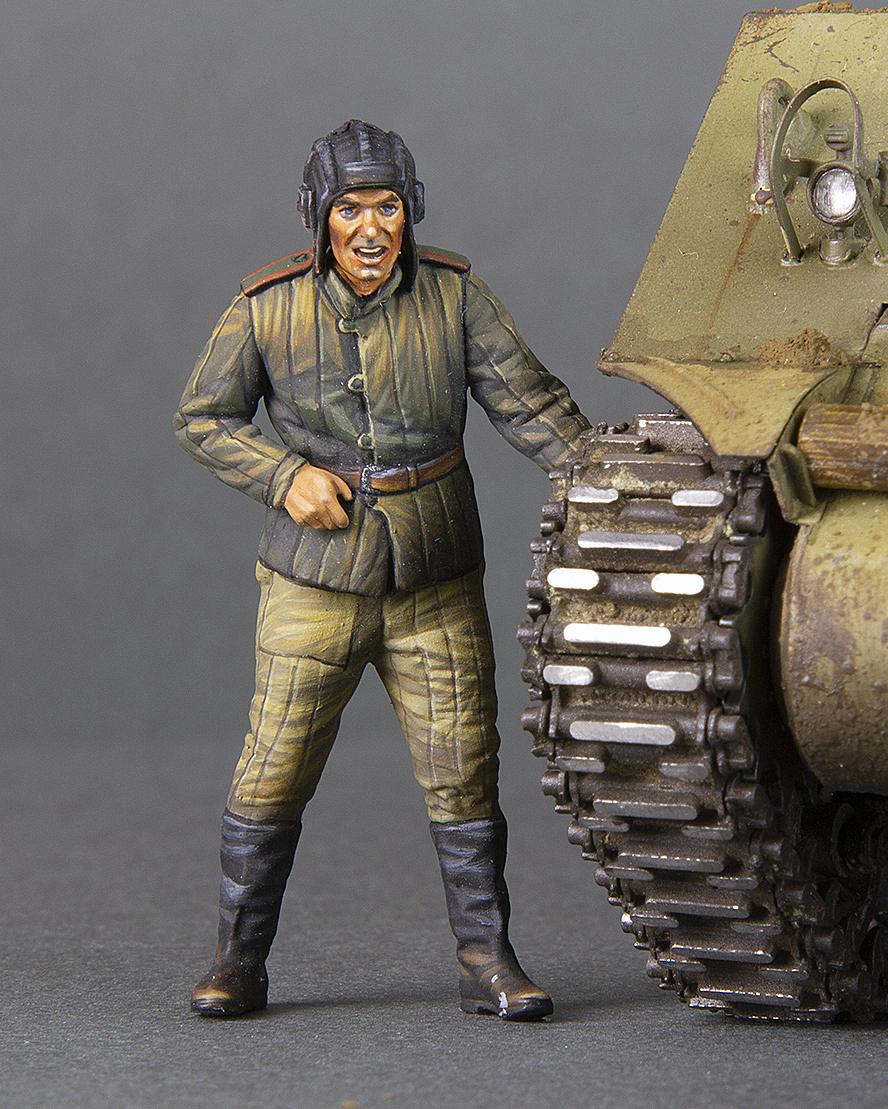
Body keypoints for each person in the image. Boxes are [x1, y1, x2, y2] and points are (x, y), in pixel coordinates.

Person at [174, 120, 589, 1023]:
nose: (371, 230)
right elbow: (203, 417)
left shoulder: (454, 295)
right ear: (319, 217)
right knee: (273, 768)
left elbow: (531, 406)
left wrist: (606, 481)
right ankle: (238, 959)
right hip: (312, 580)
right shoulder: (267, 307)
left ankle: (487, 956)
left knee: (464, 769)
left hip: (435, 575)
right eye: (351, 209)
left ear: (412, 212)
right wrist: (284, 478)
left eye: (389, 207)